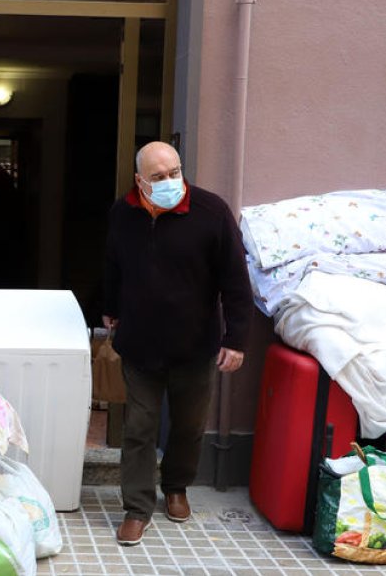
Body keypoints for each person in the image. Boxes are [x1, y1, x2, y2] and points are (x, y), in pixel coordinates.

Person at [103, 141, 253, 546]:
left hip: (194, 344)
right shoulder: (124, 213)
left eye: (175, 172)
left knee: (187, 426)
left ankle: (176, 488)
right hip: (140, 342)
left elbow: (236, 281)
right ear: (139, 181)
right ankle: (137, 508)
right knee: (138, 427)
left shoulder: (211, 211)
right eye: (158, 177)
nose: (170, 182)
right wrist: (109, 307)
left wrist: (236, 339)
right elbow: (114, 264)